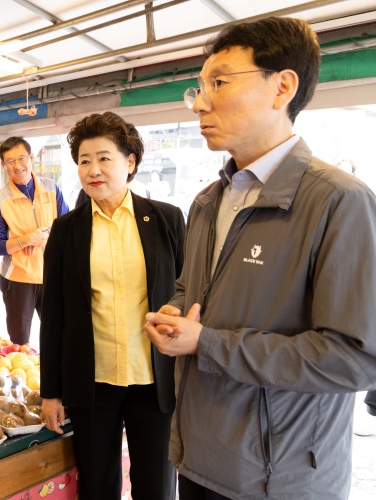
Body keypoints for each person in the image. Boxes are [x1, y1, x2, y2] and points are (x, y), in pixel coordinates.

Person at [144, 17, 376, 500]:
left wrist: (207, 343)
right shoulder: (208, 202)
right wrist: (175, 313)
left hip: (279, 479)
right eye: (199, 87)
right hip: (196, 457)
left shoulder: (338, 201)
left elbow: (353, 359)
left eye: (219, 82)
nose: (200, 103)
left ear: (282, 87)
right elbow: (192, 291)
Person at [40, 112, 185, 500]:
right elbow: (52, 314)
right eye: (84, 160)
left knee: (157, 488)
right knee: (97, 487)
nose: (93, 170)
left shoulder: (167, 219)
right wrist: (51, 391)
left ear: (130, 162)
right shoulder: (66, 230)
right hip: (92, 382)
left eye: (104, 158)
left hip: (153, 380)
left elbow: (187, 295)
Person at [0, 137, 69, 345]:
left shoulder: (51, 188)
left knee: (57, 336)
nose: (17, 165)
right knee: (19, 342)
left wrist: (44, 233)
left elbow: (67, 225)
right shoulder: (0, 199)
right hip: (18, 280)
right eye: (10, 161)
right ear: (3, 165)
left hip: (52, 276)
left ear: (31, 157)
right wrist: (25, 240)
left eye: (21, 158)